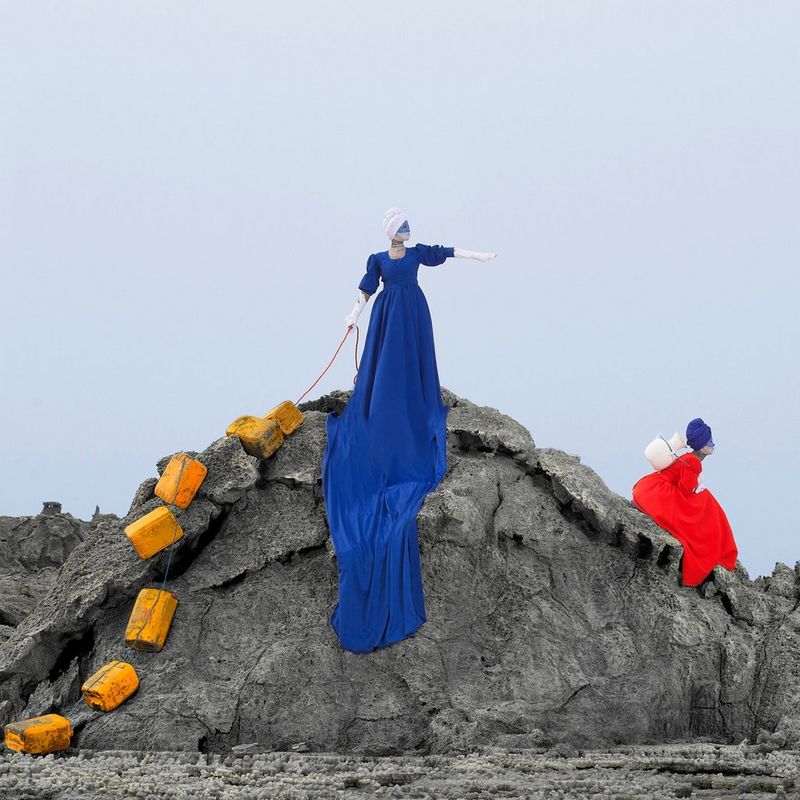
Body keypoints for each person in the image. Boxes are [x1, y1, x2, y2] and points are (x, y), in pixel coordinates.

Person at [322, 208, 496, 652]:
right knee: (382, 370)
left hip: (413, 312)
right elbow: (364, 290)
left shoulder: (417, 255)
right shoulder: (379, 260)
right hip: (386, 315)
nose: (407, 232)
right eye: (401, 228)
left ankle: (412, 400)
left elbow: (445, 253)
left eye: (407, 227)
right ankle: (384, 403)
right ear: (390, 233)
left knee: (411, 365)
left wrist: (476, 255)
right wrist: (352, 315)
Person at [632, 418, 738, 586]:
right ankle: (716, 553)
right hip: (663, 493)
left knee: (709, 507)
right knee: (709, 516)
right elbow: (686, 488)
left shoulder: (689, 457)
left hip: (654, 487)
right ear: (703, 445)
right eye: (710, 441)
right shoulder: (693, 461)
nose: (712, 444)